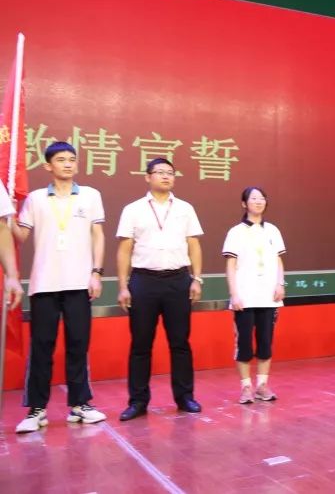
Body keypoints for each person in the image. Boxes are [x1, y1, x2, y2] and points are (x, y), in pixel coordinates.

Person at [9, 142, 105, 432]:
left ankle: (80, 405)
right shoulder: (36, 199)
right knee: (42, 347)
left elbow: (98, 235)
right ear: (48, 166)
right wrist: (9, 216)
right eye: (61, 160)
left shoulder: (90, 195)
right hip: (44, 284)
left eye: (72, 159)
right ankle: (37, 410)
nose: (68, 164)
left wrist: (96, 273)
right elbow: (21, 237)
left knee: (78, 345)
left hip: (79, 283)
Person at [116, 158, 204, 420]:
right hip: (143, 281)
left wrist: (197, 279)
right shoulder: (133, 209)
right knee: (141, 344)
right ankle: (138, 401)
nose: (166, 176)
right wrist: (122, 286)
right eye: (160, 172)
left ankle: (185, 397)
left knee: (180, 343)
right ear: (148, 177)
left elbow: (194, 245)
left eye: (170, 173)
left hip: (178, 280)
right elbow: (125, 249)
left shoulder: (185, 208)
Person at [222, 187, 286, 404]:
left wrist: (280, 283)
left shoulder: (273, 231)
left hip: (268, 296)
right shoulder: (236, 232)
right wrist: (234, 294)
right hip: (245, 297)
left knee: (265, 343)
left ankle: (262, 385)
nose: (259, 202)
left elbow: (278, 260)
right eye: (254, 198)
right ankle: (246, 387)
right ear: (244, 204)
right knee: (244, 345)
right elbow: (230, 265)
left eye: (262, 198)